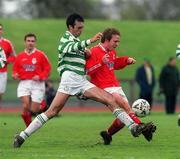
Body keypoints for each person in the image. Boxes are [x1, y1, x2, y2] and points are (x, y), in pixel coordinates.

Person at [13, 13, 153, 148]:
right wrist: (89, 42)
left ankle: (133, 127)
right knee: (53, 111)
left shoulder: (78, 43)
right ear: (70, 27)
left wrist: (86, 53)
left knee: (109, 100)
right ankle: (22, 136)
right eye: (78, 28)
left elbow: (84, 64)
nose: (80, 30)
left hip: (80, 80)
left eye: (82, 28)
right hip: (70, 78)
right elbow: (66, 48)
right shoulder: (66, 39)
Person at [85, 28, 156, 145]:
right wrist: (101, 62)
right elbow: (88, 70)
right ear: (107, 40)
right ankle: (140, 126)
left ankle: (107, 135)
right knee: (124, 105)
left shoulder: (112, 52)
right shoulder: (94, 51)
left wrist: (125, 61)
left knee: (124, 117)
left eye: (118, 41)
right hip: (103, 87)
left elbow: (115, 64)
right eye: (115, 41)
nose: (117, 44)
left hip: (115, 85)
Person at [12, 33, 51, 127]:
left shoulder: (40, 55)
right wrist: (15, 75)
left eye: (32, 41)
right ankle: (29, 128)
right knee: (25, 106)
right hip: (24, 83)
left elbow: (48, 68)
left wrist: (40, 76)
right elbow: (15, 70)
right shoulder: (20, 56)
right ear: (25, 42)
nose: (30, 43)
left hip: (37, 83)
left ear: (35, 43)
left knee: (34, 110)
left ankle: (42, 105)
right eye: (28, 41)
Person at [0, 24, 16, 104]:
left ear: (2, 31)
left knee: (1, 93)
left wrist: (7, 61)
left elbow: (14, 56)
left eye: (0, 29)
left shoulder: (7, 43)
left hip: (2, 72)